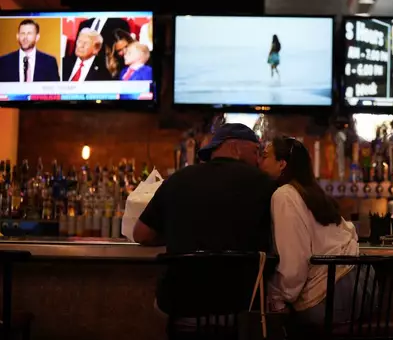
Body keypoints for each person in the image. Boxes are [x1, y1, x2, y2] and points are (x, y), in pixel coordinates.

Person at [133, 123, 276, 312]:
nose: (258, 160)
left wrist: (179, 234)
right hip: (242, 307)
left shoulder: (178, 179)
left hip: (181, 305)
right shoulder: (266, 184)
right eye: (256, 151)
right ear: (234, 148)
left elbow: (141, 234)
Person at [260, 136, 365, 327]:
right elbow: (349, 232)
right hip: (364, 287)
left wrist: (276, 295)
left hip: (332, 298)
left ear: (282, 164)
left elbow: (294, 266)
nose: (259, 161)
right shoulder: (314, 193)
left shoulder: (284, 195)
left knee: (272, 314)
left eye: (265, 156)